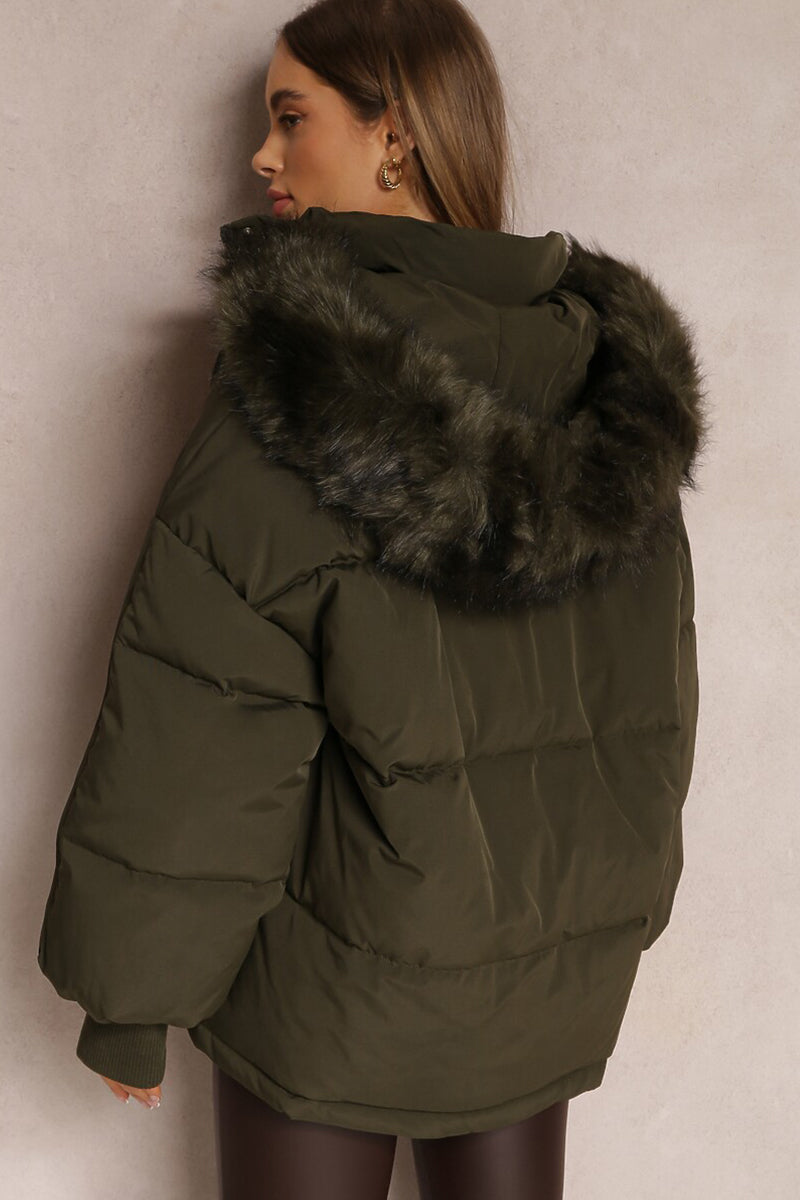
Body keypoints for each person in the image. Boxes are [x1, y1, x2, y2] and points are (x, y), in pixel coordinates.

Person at [36, 1, 709, 1197]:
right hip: (538, 993)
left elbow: (210, 721)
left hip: (326, 994)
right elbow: (651, 717)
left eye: (290, 118)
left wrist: (129, 1001)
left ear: (392, 135)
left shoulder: (292, 390)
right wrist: (599, 933)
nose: (262, 156)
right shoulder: (607, 394)